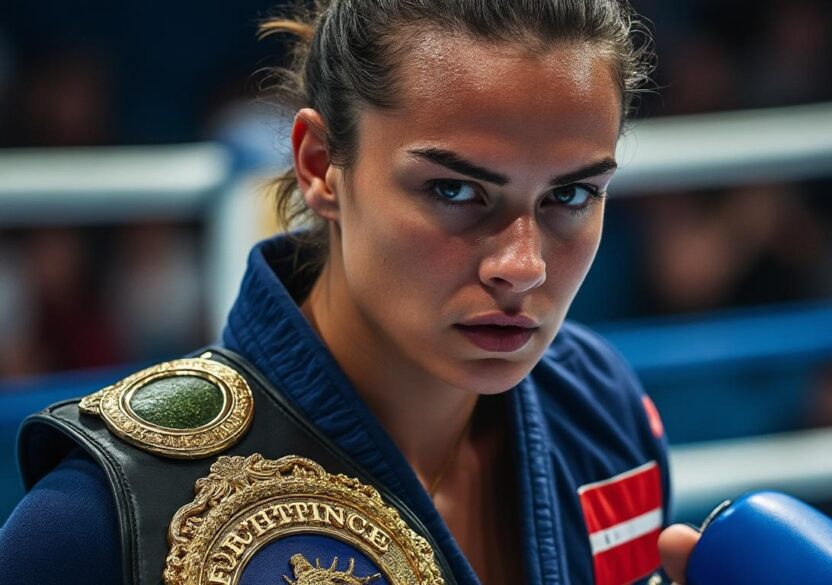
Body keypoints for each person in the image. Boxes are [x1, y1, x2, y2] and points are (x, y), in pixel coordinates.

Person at [0, 1, 702, 583]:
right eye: (455, 189)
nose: (522, 266)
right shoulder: (104, 514)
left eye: (572, 193)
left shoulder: (602, 408)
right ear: (318, 165)